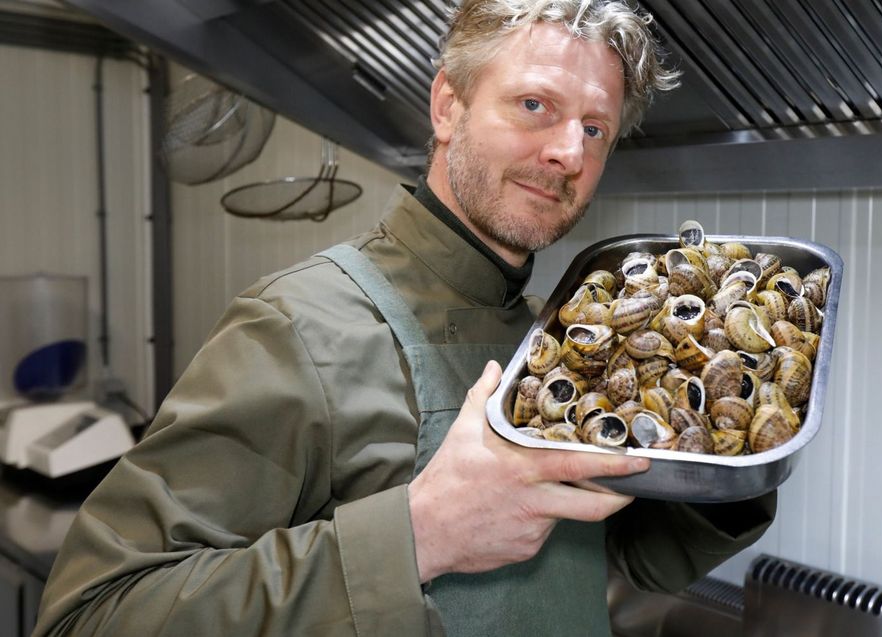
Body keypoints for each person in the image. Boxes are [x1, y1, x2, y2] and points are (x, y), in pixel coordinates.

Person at [35, 1, 777, 635]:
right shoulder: (300, 325)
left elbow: (617, 558)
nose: (566, 152)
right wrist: (419, 536)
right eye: (535, 106)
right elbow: (92, 612)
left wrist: (749, 443)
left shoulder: (556, 346)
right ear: (447, 106)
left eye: (595, 129)